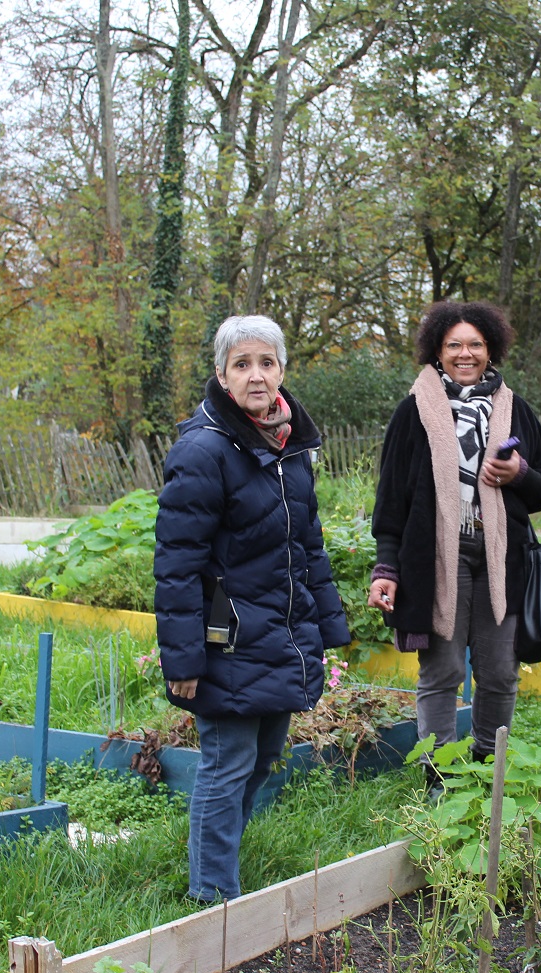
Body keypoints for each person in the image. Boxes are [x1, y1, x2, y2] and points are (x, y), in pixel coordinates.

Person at [154, 315, 351, 904]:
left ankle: (216, 865)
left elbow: (306, 545)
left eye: (266, 363)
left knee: (264, 757)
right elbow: (177, 564)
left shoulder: (290, 446)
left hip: (282, 633)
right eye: (242, 365)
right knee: (227, 761)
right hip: (228, 636)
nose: (256, 375)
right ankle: (212, 898)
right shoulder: (203, 450)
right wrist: (183, 659)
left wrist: (327, 628)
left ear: (282, 371)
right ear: (222, 375)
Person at [367, 301, 541, 780]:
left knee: (499, 673)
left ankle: (489, 772)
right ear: (437, 350)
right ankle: (441, 776)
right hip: (435, 561)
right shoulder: (414, 411)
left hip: (501, 560)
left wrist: (519, 473)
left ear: (491, 349)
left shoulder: (515, 409)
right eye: (454, 345)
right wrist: (386, 568)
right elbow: (391, 498)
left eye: (475, 344)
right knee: (442, 673)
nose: (465, 354)